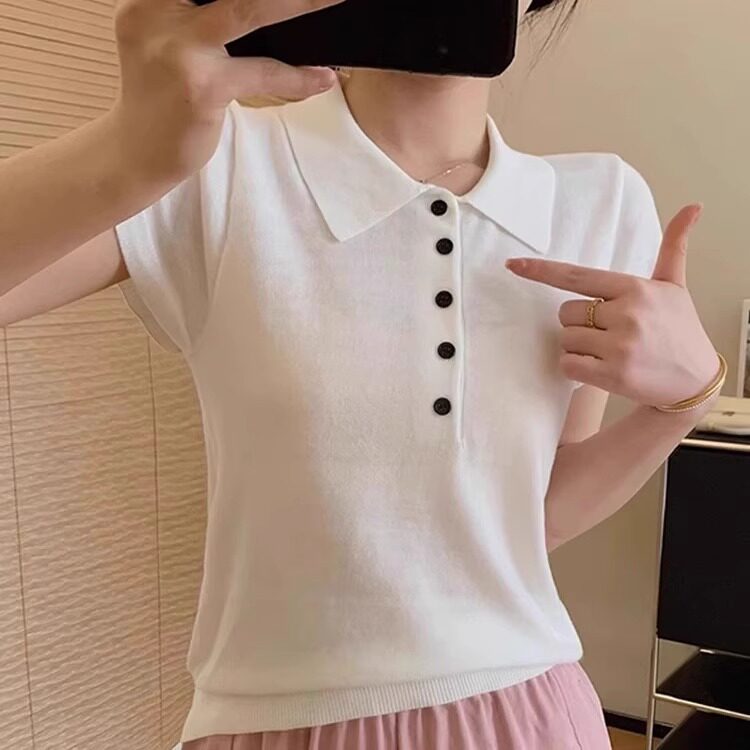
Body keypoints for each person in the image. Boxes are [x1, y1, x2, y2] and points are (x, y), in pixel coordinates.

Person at [0, 0, 726, 748]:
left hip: (529, 713)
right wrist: (127, 152)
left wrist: (682, 403)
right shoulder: (210, 161)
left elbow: (531, 517)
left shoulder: (599, 203)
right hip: (275, 720)